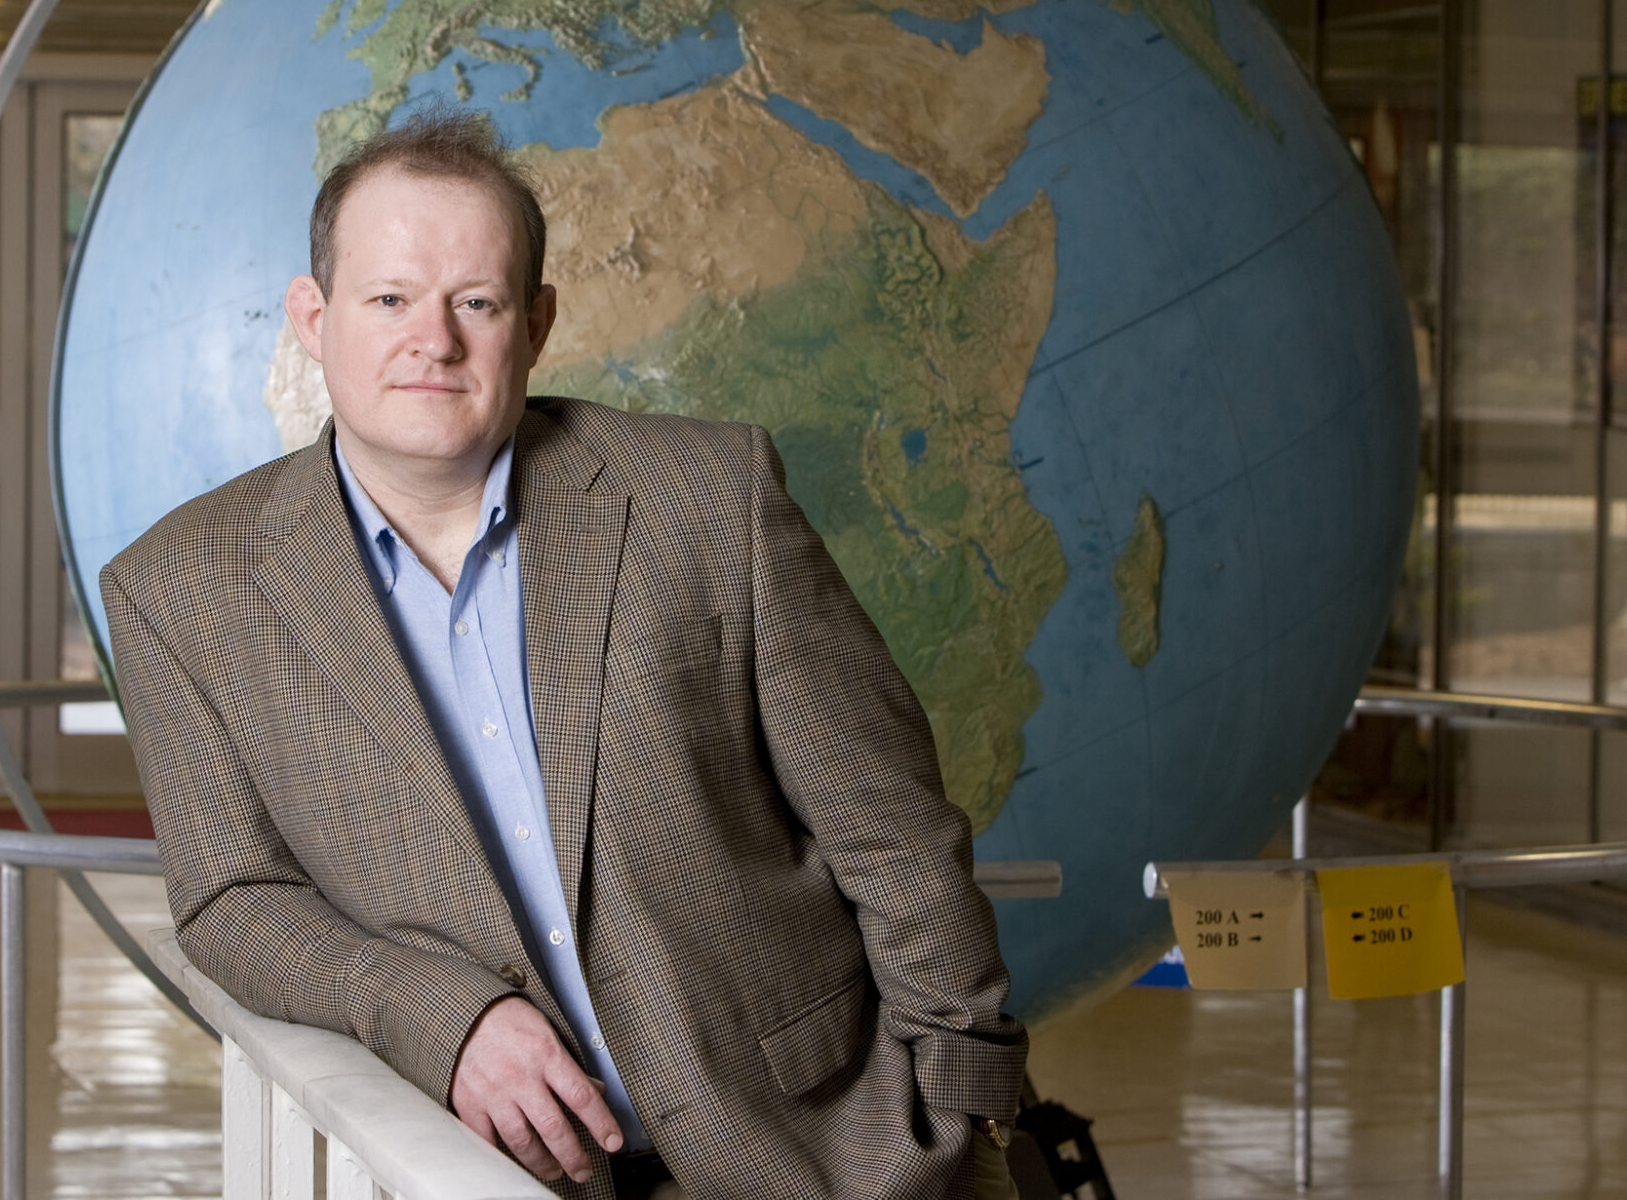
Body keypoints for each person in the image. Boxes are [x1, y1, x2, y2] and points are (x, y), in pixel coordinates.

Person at [101, 109, 1027, 1199]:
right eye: (389, 298)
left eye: (476, 304)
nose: (432, 341)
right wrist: (445, 1017)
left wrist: (963, 1109)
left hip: (830, 1147)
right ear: (314, 318)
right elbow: (230, 896)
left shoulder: (703, 499)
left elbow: (891, 830)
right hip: (489, 1175)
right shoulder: (178, 590)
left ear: (535, 324)